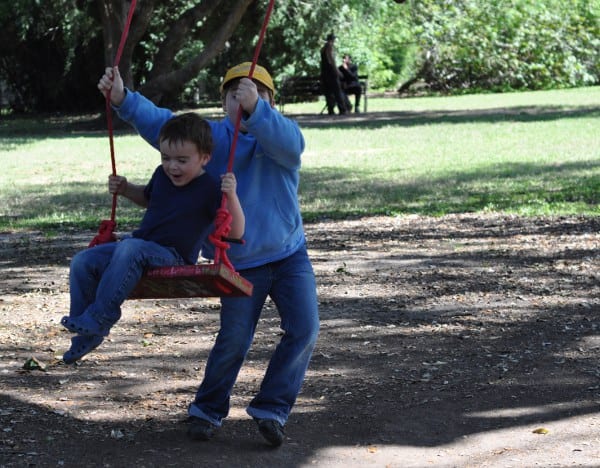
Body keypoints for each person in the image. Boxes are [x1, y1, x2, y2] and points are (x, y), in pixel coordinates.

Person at [97, 61, 320, 448]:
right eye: (235, 95)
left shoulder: (281, 138)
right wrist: (122, 99)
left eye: (255, 94)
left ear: (270, 102)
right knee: (234, 339)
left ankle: (271, 409)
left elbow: (292, 146)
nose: (244, 100)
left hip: (289, 255)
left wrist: (259, 111)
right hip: (237, 261)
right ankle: (207, 408)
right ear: (223, 103)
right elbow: (164, 126)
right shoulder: (212, 142)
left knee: (304, 328)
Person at [60, 113, 244, 364]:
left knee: (131, 248)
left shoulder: (210, 188)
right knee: (82, 261)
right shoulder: (161, 175)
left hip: (174, 256)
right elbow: (148, 198)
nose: (172, 166)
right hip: (139, 248)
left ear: (204, 158)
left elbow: (236, 232)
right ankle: (85, 335)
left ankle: (100, 317)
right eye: (166, 158)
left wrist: (231, 196)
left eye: (182, 160)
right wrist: (125, 189)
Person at [319, 33, 348, 115]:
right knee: (337, 91)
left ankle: (330, 109)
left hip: (324, 72)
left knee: (328, 92)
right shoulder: (329, 47)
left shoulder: (323, 48)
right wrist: (337, 71)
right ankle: (342, 109)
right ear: (332, 40)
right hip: (331, 72)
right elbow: (330, 60)